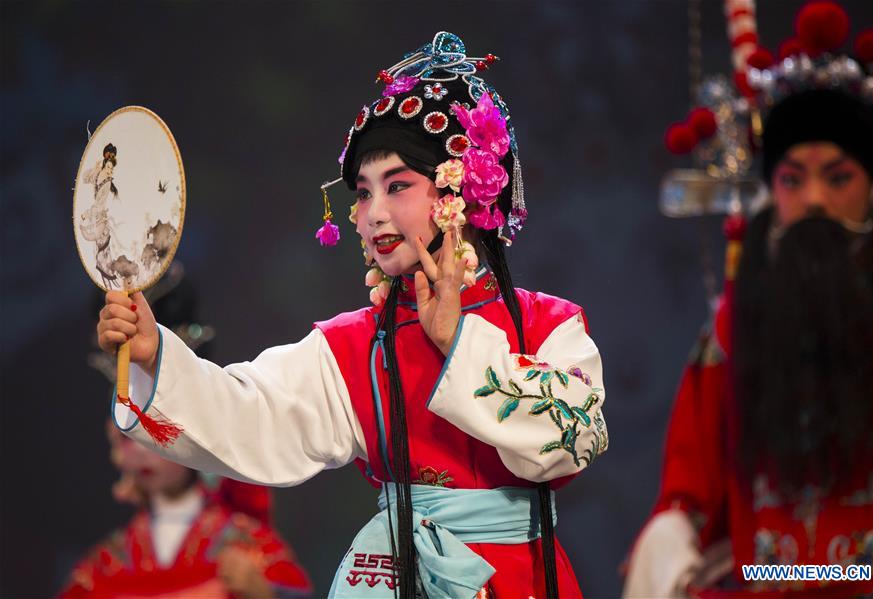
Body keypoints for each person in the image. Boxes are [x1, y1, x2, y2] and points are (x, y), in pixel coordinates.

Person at [96, 32, 608, 598]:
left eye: (397, 187)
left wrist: (458, 340)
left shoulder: (547, 324)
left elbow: (574, 439)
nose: (375, 214)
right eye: (363, 193)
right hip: (397, 577)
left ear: (457, 189)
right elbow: (253, 413)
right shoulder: (358, 344)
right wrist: (155, 355)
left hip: (521, 581)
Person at [624, 3, 873, 596]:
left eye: (839, 175)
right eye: (793, 179)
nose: (816, 199)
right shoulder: (735, 329)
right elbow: (689, 495)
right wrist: (677, 554)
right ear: (771, 190)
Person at [67, 268, 313, 598]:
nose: (141, 451)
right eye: (128, 438)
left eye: (153, 434)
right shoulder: (105, 566)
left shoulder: (249, 554)